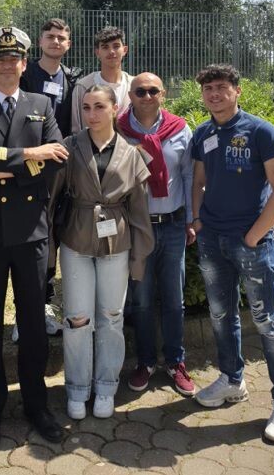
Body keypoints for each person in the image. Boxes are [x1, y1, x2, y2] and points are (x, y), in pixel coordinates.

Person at [0, 26, 68, 453]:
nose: (8, 64)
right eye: (0, 59)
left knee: (34, 325)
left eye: (15, 58)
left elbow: (58, 157)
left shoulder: (43, 104)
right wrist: (28, 156)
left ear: (25, 63)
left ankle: (37, 406)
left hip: (31, 232)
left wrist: (4, 165)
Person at [191, 64, 274, 444]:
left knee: (267, 321)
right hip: (212, 241)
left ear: (237, 91)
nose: (214, 95)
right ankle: (231, 381)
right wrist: (197, 220)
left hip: (251, 243)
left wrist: (254, 236)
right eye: (208, 89)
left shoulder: (260, 131)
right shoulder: (203, 133)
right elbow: (199, 182)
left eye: (222, 88)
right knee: (221, 316)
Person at [51, 84, 153, 420]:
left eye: (99, 107)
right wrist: (49, 253)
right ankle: (77, 388)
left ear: (114, 109)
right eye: (86, 108)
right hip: (76, 242)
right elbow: (52, 202)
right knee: (77, 319)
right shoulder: (69, 147)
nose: (91, 114)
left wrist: (138, 258)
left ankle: (106, 386)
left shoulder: (132, 152)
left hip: (117, 244)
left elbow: (139, 212)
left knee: (111, 317)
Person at [117, 73, 196, 397]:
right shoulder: (119, 130)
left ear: (163, 94)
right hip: (138, 228)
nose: (146, 96)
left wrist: (192, 219)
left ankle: (176, 361)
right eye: (140, 91)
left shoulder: (180, 129)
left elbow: (190, 176)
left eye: (153, 91)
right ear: (131, 95)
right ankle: (146, 361)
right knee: (142, 300)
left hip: (174, 225)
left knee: (174, 300)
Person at [19, 17, 83, 340]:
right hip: (32, 167)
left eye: (61, 38)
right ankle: (23, 314)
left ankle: (45, 306)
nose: (56, 42)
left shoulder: (73, 79)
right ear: (40, 41)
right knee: (30, 239)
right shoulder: (25, 75)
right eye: (50, 37)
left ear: (68, 44)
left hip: (64, 169)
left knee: (56, 235)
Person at [71, 26, 133, 132]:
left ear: (125, 50)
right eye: (105, 47)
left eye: (116, 46)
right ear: (97, 52)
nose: (111, 51)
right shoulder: (83, 86)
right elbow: (77, 128)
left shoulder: (135, 86)